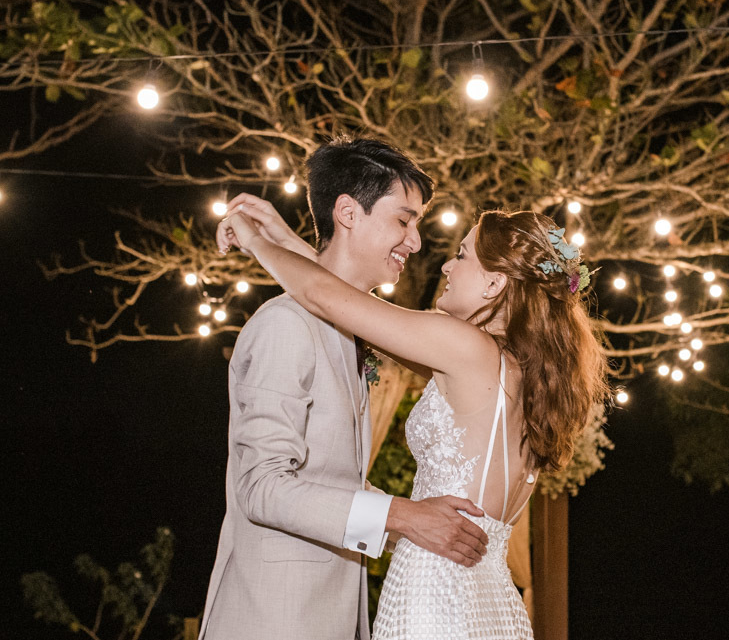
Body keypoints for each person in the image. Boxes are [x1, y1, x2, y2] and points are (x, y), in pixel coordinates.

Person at [218, 195, 611, 640]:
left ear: (494, 284)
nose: (446, 267)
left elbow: (324, 298)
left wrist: (254, 240)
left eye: (461, 256)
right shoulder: (517, 374)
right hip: (492, 603)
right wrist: (286, 240)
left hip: (436, 590)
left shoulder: (463, 347)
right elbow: (352, 307)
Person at [198, 138, 490, 640]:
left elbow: (330, 481)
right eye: (404, 220)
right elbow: (261, 487)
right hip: (271, 623)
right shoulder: (285, 326)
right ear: (349, 212)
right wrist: (403, 515)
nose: (416, 242)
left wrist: (411, 521)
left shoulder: (350, 333)